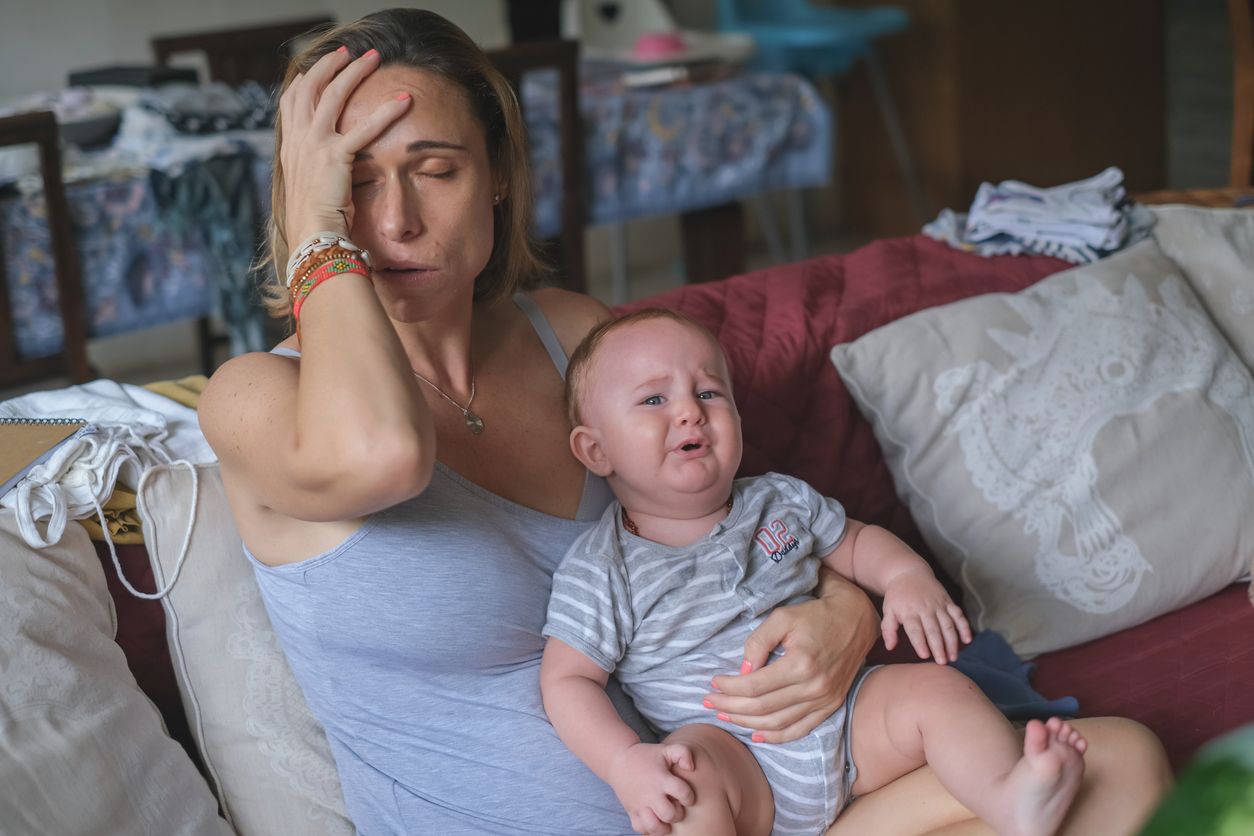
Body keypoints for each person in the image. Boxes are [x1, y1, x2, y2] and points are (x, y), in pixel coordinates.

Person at [197, 7, 1172, 835]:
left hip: (760, 798)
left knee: (1121, 763)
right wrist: (315, 233)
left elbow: (743, 517)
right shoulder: (253, 398)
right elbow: (385, 452)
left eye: (434, 168)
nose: (393, 221)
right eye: (353, 179)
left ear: (495, 175)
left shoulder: (569, 336)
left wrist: (843, 614)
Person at [542, 309, 1090, 836]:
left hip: (849, 724)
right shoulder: (603, 569)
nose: (690, 411)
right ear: (596, 450)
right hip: (740, 763)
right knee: (683, 782)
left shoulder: (779, 499)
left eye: (709, 393)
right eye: (654, 399)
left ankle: (1010, 799)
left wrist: (905, 576)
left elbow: (854, 541)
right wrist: (624, 761)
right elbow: (568, 681)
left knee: (939, 690)